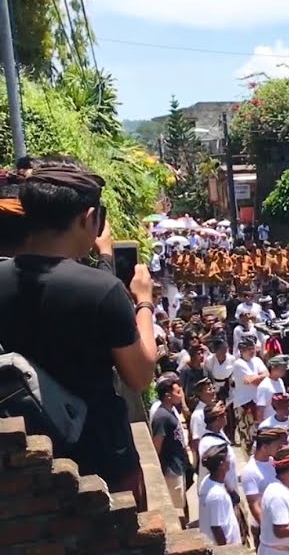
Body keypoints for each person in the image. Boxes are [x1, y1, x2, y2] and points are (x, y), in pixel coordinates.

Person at [0, 160, 157, 503]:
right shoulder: (102, 290)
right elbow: (140, 374)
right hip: (101, 458)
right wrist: (143, 302)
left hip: (27, 458)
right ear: (89, 219)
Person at [150, 377, 190, 514]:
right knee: (176, 508)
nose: (181, 395)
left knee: (181, 502)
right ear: (168, 396)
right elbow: (157, 444)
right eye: (178, 392)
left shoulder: (170, 412)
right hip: (171, 469)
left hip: (178, 464)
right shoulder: (161, 417)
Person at [197, 445, 241, 547]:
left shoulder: (208, 480)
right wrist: (226, 553)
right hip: (229, 549)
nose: (230, 460)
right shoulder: (217, 495)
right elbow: (216, 527)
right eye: (227, 459)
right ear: (221, 465)